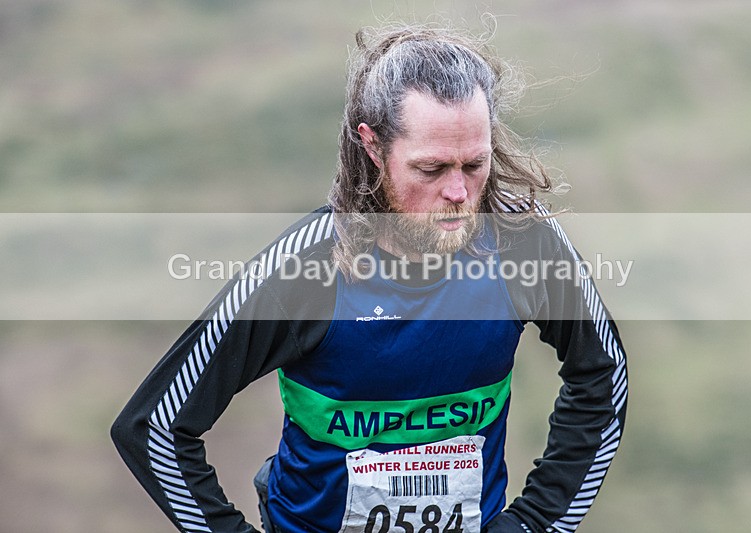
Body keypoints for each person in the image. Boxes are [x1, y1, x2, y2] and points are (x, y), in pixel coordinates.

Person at [111, 22, 628, 533]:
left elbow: (603, 375)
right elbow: (153, 428)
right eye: (431, 169)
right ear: (373, 147)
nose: (458, 192)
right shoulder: (307, 269)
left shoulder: (522, 239)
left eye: (475, 164)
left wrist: (536, 522)